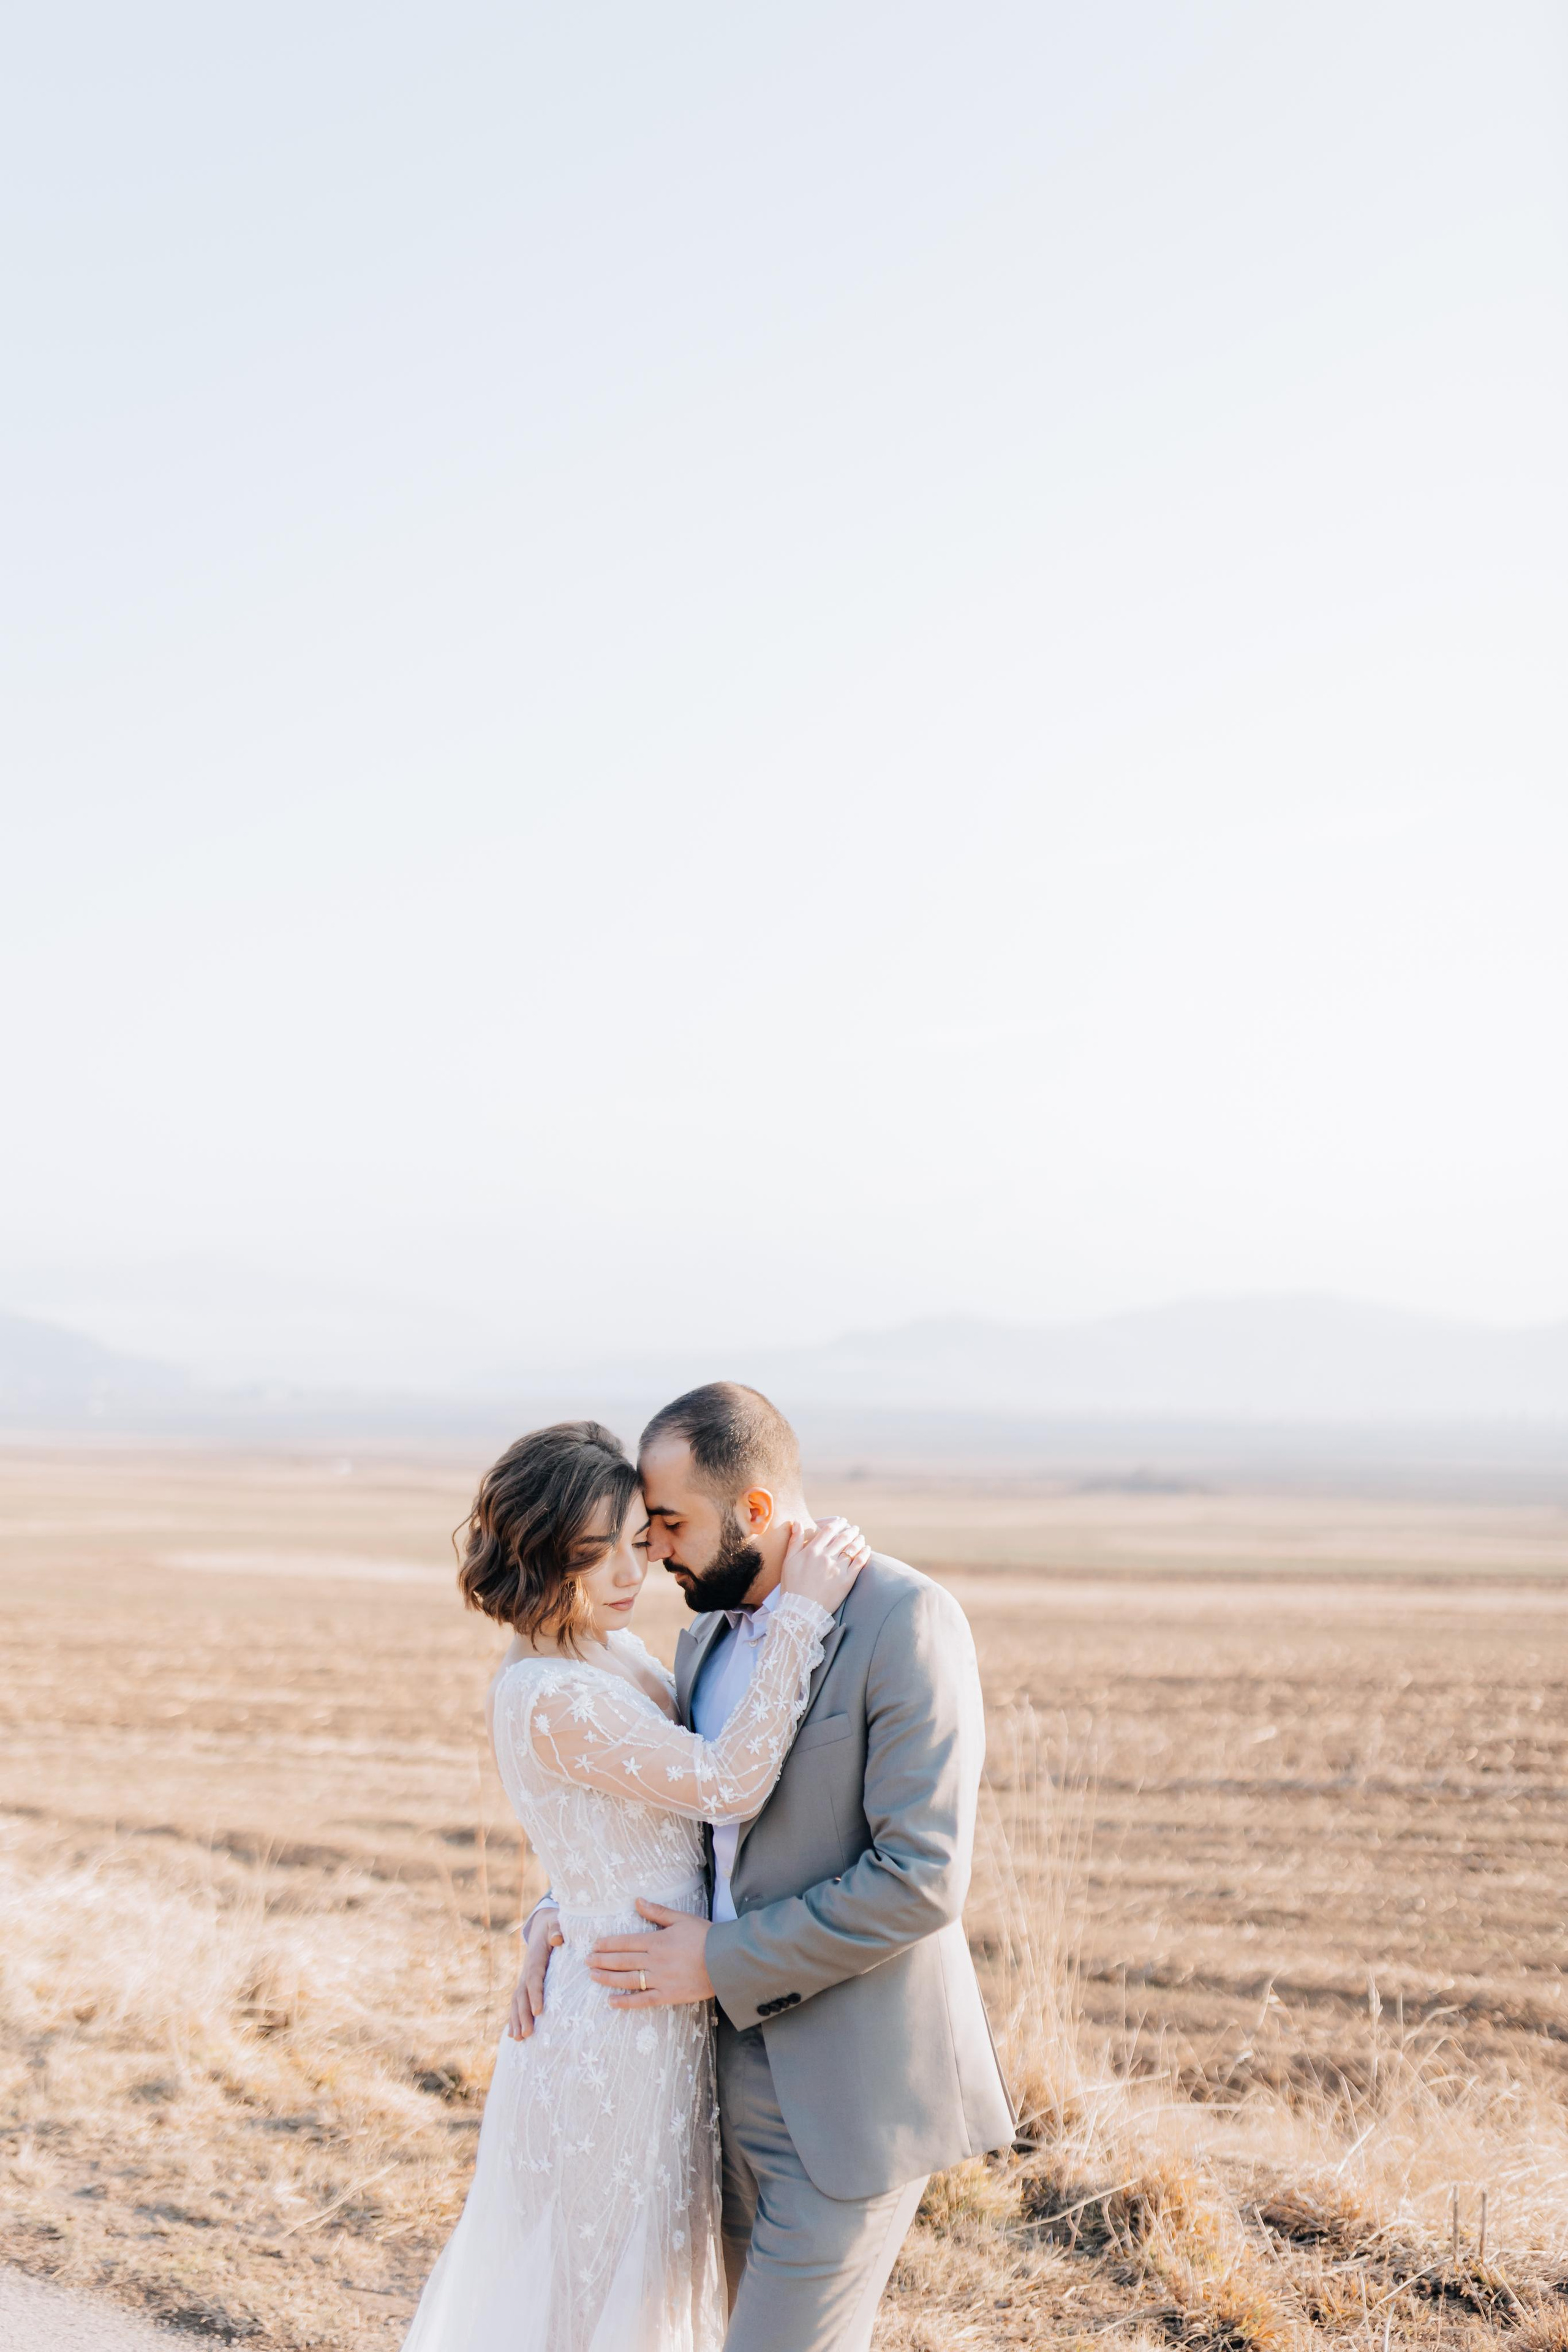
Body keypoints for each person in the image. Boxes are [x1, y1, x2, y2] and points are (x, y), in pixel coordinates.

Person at [518, 1384, 1014, 2352]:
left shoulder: (907, 1620)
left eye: (669, 1523)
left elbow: (920, 1876)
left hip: (850, 2092)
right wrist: (565, 1905)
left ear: (753, 1511)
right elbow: (681, 1823)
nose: (653, 1551)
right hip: (709, 2083)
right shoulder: (702, 1632)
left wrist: (723, 1959)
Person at [400, 1416, 869, 2352]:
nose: (630, 1572)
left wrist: (552, 1907)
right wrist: (807, 1614)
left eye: (635, 1541)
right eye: (592, 1554)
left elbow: (610, 1825)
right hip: (615, 2022)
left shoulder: (602, 1653)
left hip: (650, 1996)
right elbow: (725, 1780)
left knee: (649, 2275)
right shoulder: (548, 1692)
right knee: (599, 2282)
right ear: (535, 1560)